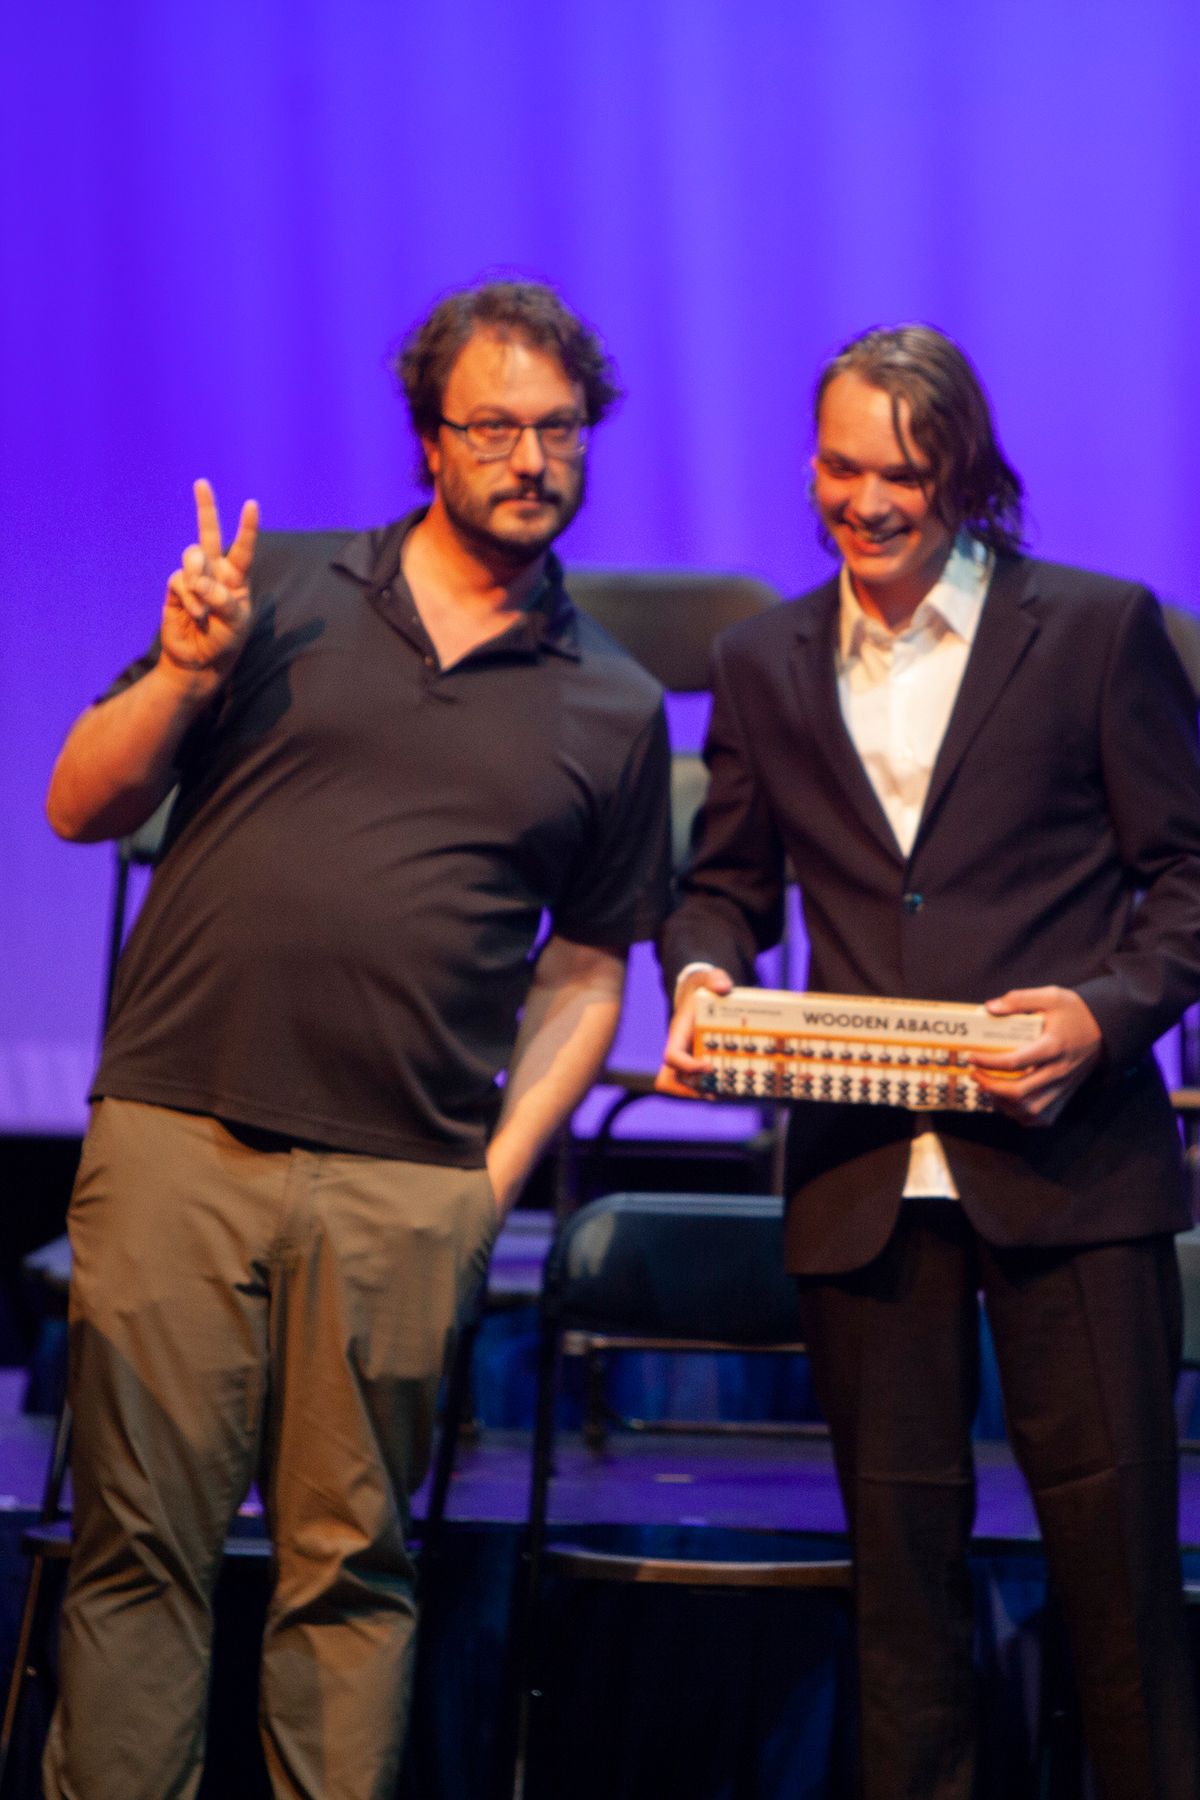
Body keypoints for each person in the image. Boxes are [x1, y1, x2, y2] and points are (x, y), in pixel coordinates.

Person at [44, 280, 670, 1800]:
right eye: (494, 427)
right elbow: (77, 803)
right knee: (139, 1554)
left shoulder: (613, 701)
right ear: (429, 441)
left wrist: (488, 1185)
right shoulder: (278, 593)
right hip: (182, 1137)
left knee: (352, 1568)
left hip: (404, 1185)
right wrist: (183, 673)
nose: (531, 458)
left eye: (560, 429)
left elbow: (589, 973)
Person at [658, 323, 1200, 1799]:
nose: (868, 500)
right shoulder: (760, 659)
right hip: (864, 1184)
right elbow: (725, 885)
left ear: (965, 473)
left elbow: (1187, 877)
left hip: (1070, 1170)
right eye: (843, 467)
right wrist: (703, 980)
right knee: (900, 1600)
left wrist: (1103, 1013)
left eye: (903, 472)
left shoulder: (1094, 629)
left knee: (1121, 1591)